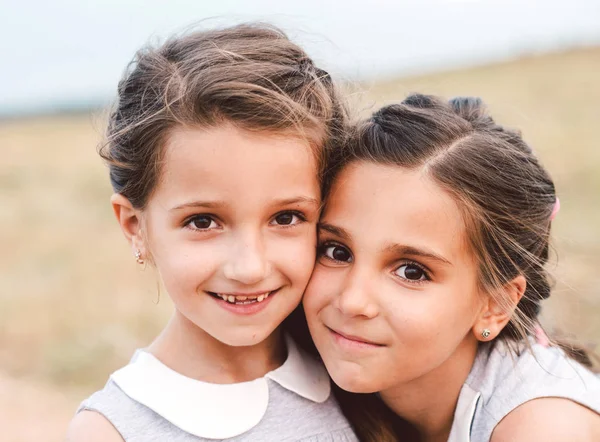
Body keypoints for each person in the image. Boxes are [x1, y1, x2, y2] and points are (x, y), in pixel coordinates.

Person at [66, 23, 358, 442]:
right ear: (136, 227)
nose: (249, 267)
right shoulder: (111, 431)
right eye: (203, 222)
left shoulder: (358, 371)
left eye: (286, 218)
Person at [303, 94, 600, 442]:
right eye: (337, 251)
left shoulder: (546, 427)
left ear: (496, 305)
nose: (352, 301)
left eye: (411, 272)